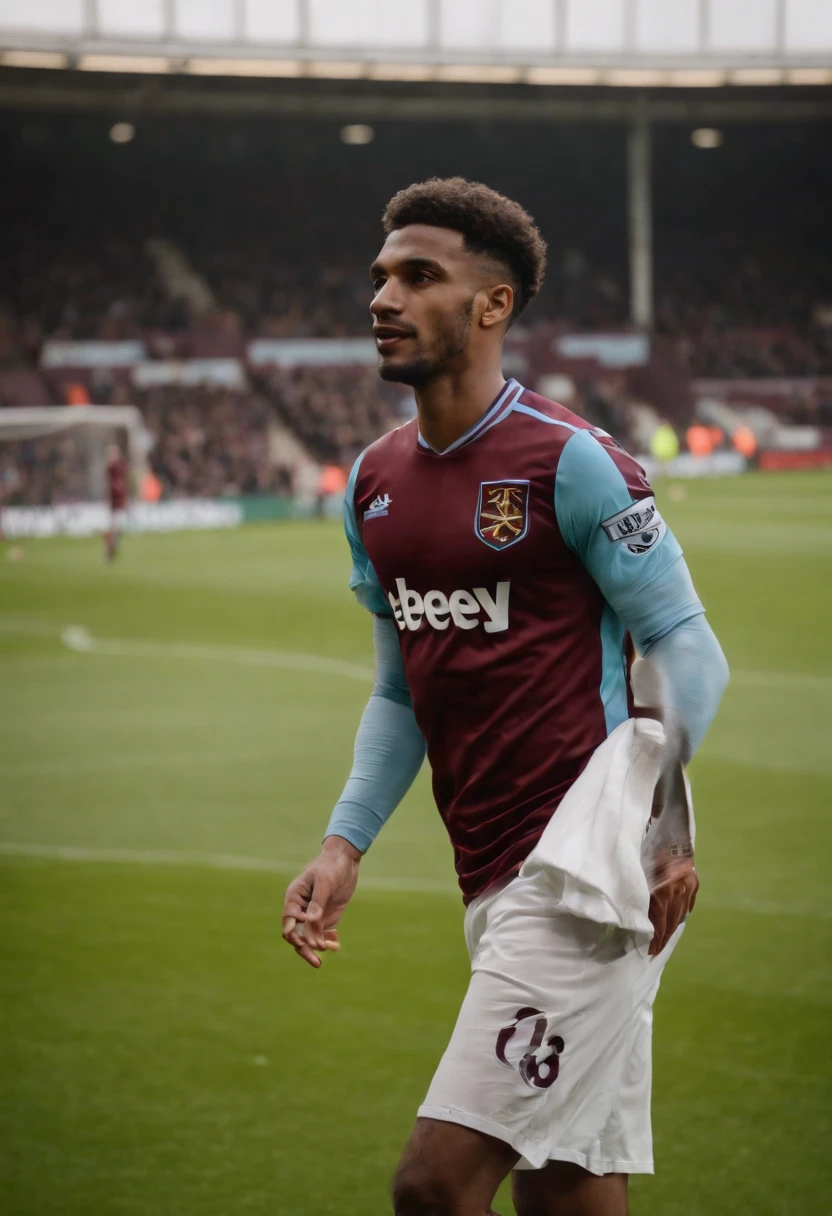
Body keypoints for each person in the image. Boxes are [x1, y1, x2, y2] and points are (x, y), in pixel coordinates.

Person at [282, 178, 729, 1216]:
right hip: (487, 867)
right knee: (569, 1185)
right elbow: (403, 688)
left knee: (433, 1186)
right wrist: (345, 842)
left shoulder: (569, 462)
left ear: (491, 306)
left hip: (586, 869)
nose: (383, 297)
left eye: (418, 276)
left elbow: (684, 643)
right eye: (381, 276)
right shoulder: (373, 484)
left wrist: (662, 822)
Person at [104, 442, 128, 562]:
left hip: (120, 500)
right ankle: (110, 547)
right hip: (115, 500)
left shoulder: (118, 466)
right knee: (115, 526)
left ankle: (111, 547)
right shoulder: (112, 468)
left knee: (117, 527)